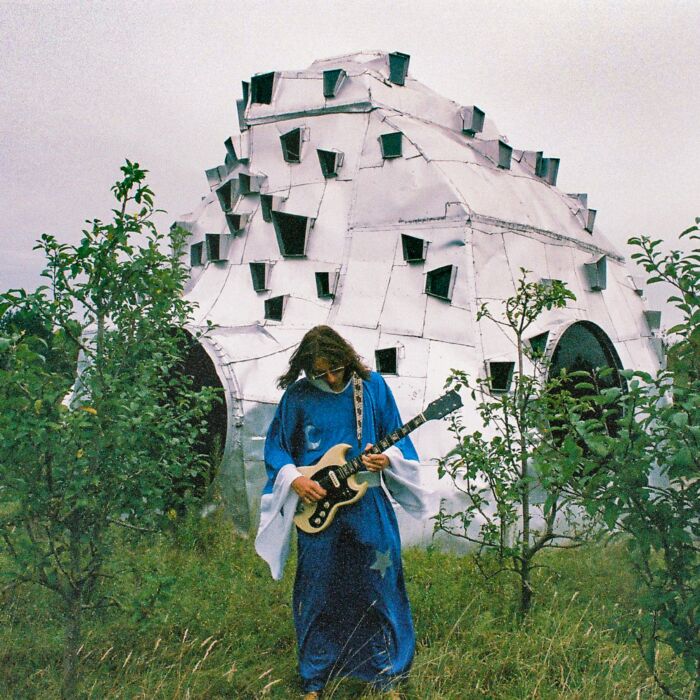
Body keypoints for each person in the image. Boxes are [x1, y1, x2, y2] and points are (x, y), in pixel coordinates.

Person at [255, 326, 431, 699]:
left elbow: (398, 437)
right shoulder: (298, 397)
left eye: (336, 367)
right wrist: (293, 480)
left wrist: (388, 458)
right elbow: (277, 449)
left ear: (346, 358)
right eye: (320, 373)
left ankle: (387, 674)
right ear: (306, 370)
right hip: (319, 509)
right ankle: (316, 677)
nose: (332, 378)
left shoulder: (371, 386)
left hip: (367, 504)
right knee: (318, 587)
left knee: (380, 584)